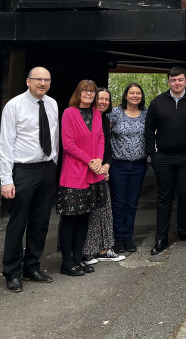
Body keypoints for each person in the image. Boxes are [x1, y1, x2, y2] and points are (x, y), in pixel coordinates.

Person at [0, 67, 59, 292]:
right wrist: (6, 179)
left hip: (46, 170)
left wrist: (54, 165)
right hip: (23, 170)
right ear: (28, 81)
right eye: (38, 79)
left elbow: (54, 138)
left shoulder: (52, 104)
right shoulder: (14, 106)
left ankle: (31, 267)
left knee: (41, 222)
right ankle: (12, 272)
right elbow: (5, 144)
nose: (42, 83)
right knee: (18, 222)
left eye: (46, 80)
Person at [145, 66, 186, 255]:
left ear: (185, 81)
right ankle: (161, 238)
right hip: (164, 158)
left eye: (180, 80)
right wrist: (153, 154)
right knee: (164, 197)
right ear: (168, 81)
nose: (176, 83)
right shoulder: (158, 102)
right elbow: (148, 130)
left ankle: (184, 231)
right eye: (173, 80)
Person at [57, 80, 106, 277]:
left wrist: (100, 159)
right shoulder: (69, 113)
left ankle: (78, 258)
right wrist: (90, 161)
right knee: (70, 218)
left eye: (92, 91)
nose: (88, 94)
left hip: (92, 174)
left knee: (85, 217)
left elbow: (101, 137)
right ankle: (66, 262)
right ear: (78, 93)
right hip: (74, 174)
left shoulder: (96, 113)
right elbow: (67, 144)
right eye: (85, 91)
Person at [80, 87, 125, 264]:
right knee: (86, 213)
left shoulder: (105, 119)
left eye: (107, 99)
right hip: (84, 170)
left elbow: (106, 146)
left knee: (103, 211)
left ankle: (103, 249)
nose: (103, 102)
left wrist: (106, 166)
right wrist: (95, 166)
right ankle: (84, 251)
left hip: (101, 170)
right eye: (100, 98)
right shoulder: (83, 117)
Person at [108, 83, 148, 253]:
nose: (135, 96)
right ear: (126, 96)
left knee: (131, 203)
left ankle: (127, 238)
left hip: (139, 165)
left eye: (138, 93)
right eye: (131, 93)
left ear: (141, 96)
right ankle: (117, 238)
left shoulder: (146, 114)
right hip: (118, 165)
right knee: (118, 203)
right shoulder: (115, 113)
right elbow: (103, 135)